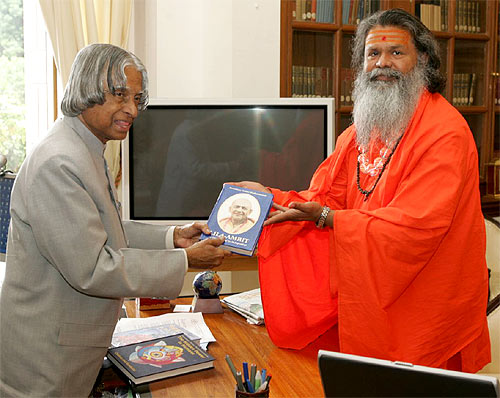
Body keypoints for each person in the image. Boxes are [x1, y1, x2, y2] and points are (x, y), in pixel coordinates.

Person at [232, 9, 491, 373]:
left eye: (396, 53)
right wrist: (269, 199)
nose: (382, 64)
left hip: (424, 309)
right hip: (368, 303)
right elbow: (324, 198)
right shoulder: (360, 131)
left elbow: (416, 228)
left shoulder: (445, 132)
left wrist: (328, 219)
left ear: (424, 60)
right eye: (372, 54)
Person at [0, 43, 230, 397]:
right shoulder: (59, 162)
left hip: (68, 351)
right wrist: (187, 260)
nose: (132, 109)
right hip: (45, 364)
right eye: (120, 95)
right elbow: (93, 268)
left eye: (137, 98)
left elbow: (106, 229)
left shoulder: (83, 147)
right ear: (86, 87)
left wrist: (174, 237)